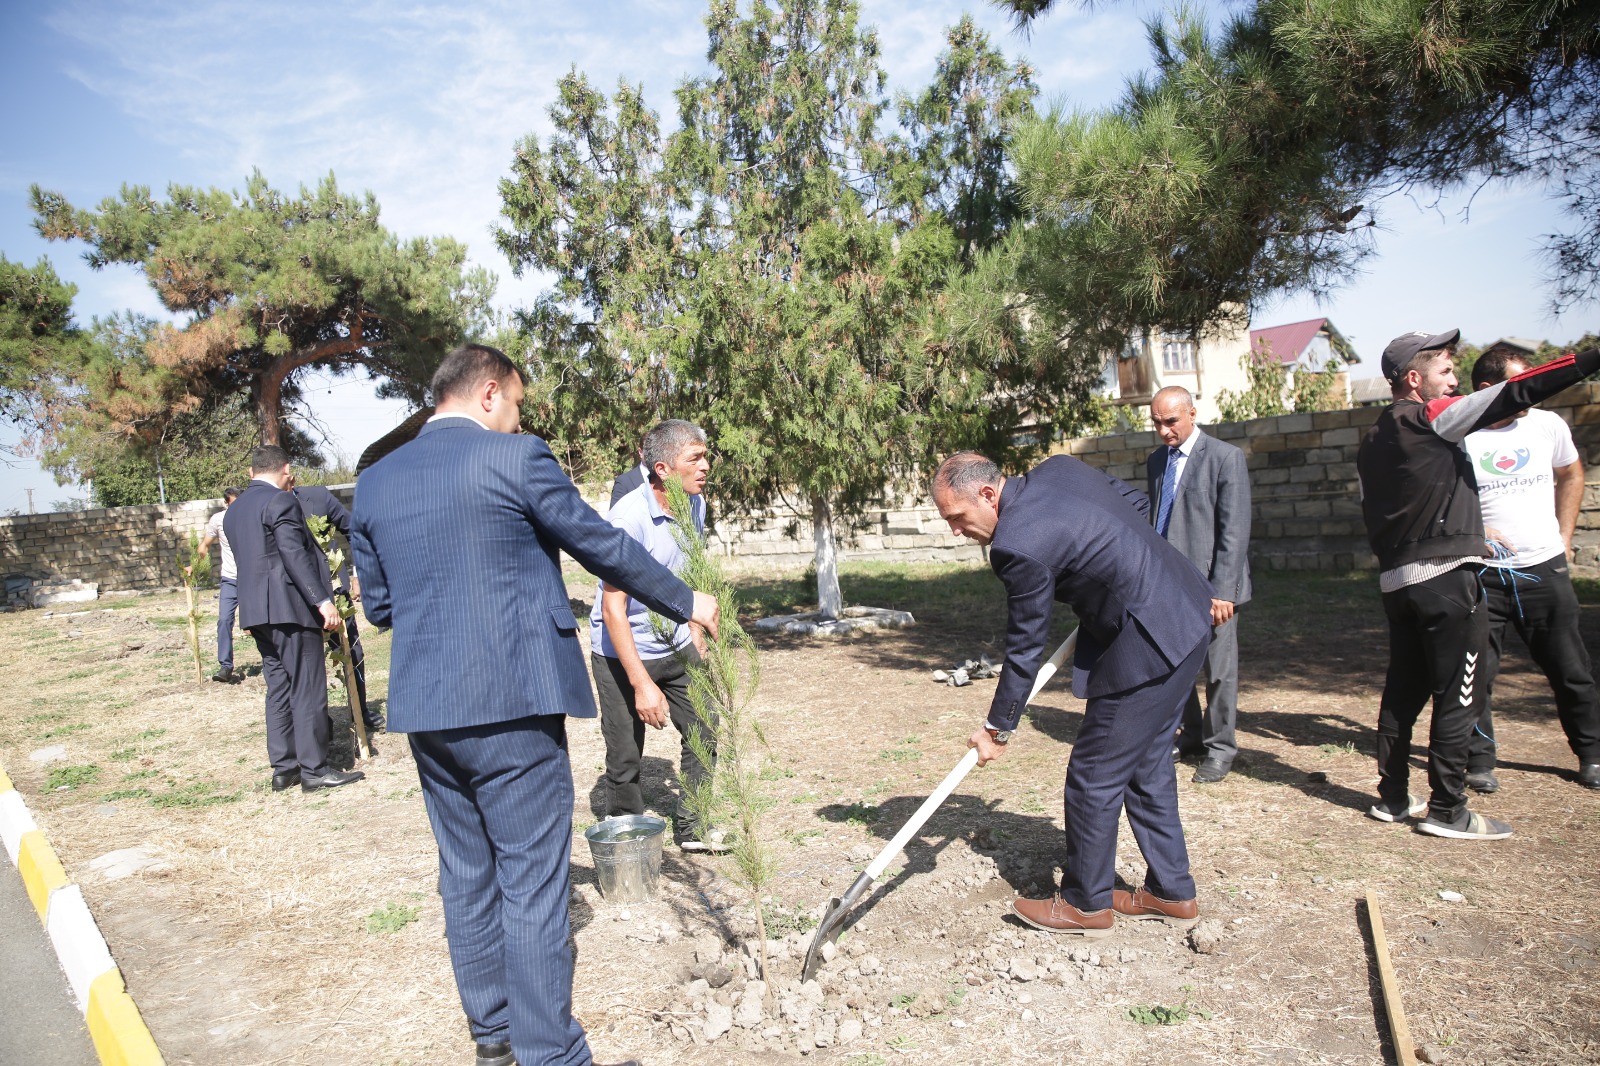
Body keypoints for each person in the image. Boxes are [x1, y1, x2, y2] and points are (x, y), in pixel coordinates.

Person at [350, 344, 719, 1066]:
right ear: (489, 394)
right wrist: (685, 597)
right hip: (512, 702)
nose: (519, 419)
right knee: (531, 881)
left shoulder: (375, 480)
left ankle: (493, 1041)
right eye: (516, 405)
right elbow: (599, 543)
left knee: (465, 874)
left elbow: (382, 606)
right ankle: (552, 1054)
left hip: (427, 706)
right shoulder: (514, 459)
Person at [932, 452, 1213, 937]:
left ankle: (1085, 904)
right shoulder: (1059, 469)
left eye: (957, 517)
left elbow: (1024, 646)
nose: (956, 531)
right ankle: (1171, 892)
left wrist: (998, 728)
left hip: (1148, 642)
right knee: (1145, 765)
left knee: (1093, 774)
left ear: (987, 494)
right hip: (1186, 610)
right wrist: (1104, 569)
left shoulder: (1016, 545)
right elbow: (1134, 503)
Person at [1355, 330, 1600, 840]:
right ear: (1415, 379)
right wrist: (1590, 360)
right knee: (1459, 695)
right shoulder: (1433, 417)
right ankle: (1448, 809)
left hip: (1399, 585)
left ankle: (1394, 798)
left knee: (1403, 693)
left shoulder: (1375, 436)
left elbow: (1408, 504)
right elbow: (1516, 393)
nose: (1454, 382)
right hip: (1447, 584)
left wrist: (1471, 529)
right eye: (1446, 372)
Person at [1463, 350, 1600, 792]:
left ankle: (1592, 754)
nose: (1533, 391)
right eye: (1524, 384)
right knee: (1475, 676)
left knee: (1570, 669)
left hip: (1543, 568)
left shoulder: (1546, 425)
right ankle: (1479, 760)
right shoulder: (1459, 431)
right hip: (1481, 576)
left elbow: (1571, 474)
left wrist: (1563, 539)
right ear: (1488, 391)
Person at [590, 420, 721, 850]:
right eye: (694, 458)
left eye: (705, 455)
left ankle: (693, 828)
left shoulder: (694, 504)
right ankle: (629, 838)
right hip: (621, 648)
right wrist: (642, 684)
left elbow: (686, 576)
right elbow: (614, 608)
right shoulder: (628, 518)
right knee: (626, 755)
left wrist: (695, 627)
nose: (705, 466)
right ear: (663, 468)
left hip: (675, 641)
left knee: (704, 729)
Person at [224, 446, 363, 795]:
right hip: (289, 610)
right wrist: (322, 602)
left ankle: (284, 768)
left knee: (279, 688)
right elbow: (293, 555)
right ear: (286, 469)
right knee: (307, 687)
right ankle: (314, 770)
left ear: (251, 471)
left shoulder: (233, 510)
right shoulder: (281, 502)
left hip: (256, 612)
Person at [1145, 386, 1252, 784]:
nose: (1163, 430)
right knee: (1179, 667)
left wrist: (1224, 590)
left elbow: (1235, 531)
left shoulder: (1225, 458)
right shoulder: (1158, 462)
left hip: (1213, 589)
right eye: (1156, 422)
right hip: (1170, 585)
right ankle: (1190, 735)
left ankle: (1221, 747)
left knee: (1219, 671)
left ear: (1192, 413)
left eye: (1170, 421)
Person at [290, 478, 383, 737]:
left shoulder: (317, 497)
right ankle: (319, 727)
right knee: (307, 665)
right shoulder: (269, 504)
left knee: (352, 653)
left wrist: (358, 573)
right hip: (296, 599)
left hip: (335, 595)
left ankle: (359, 711)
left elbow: (354, 530)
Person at [190, 486, 241, 683]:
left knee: (255, 625)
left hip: (250, 579)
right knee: (224, 621)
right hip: (229, 579)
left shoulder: (250, 517)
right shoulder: (218, 520)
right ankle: (225, 666)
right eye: (233, 504)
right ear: (226, 503)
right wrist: (194, 565)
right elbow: (205, 545)